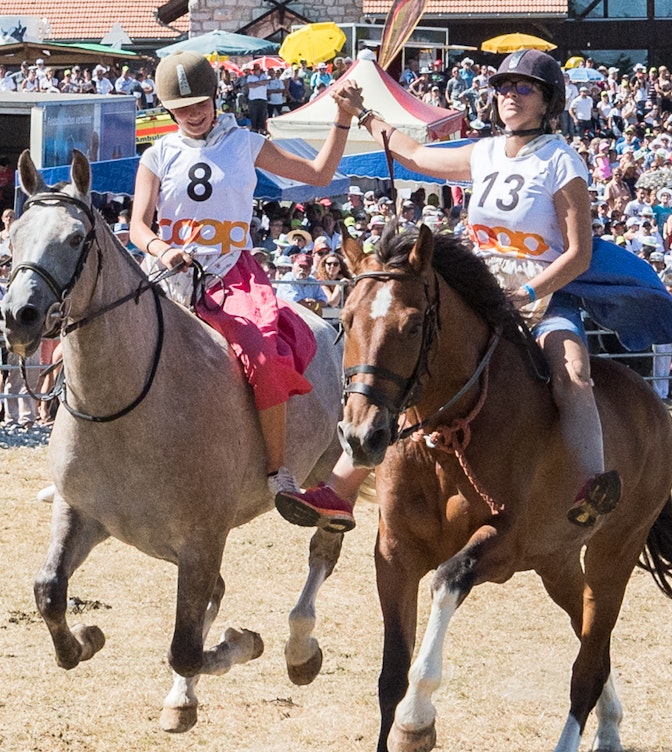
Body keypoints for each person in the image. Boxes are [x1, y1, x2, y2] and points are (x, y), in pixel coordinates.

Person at [277, 49, 658, 534]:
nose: (510, 96)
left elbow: (579, 254)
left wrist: (528, 292)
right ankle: (339, 491)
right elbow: (415, 155)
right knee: (403, 361)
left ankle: (590, 485)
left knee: (574, 374)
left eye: (524, 88)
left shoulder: (563, 161)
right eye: (503, 87)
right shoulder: (484, 152)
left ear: (548, 101)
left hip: (542, 291)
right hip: (478, 286)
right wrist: (363, 113)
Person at [130, 50, 354, 506]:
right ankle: (87, 470)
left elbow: (319, 174)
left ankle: (276, 470)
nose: (194, 114)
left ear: (216, 98)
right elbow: (138, 226)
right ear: (168, 110)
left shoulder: (247, 143)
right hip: (169, 271)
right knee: (98, 342)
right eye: (182, 108)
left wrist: (343, 118)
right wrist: (162, 249)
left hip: (230, 274)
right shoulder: (157, 154)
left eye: (200, 104)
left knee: (264, 356)